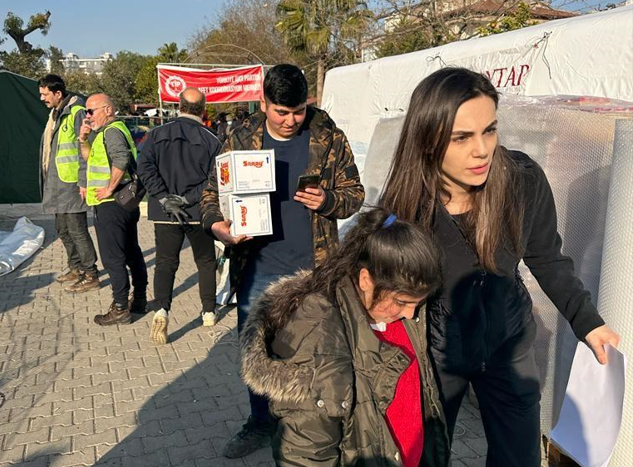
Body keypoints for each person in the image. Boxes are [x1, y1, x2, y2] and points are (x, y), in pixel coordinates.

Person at [379, 67, 621, 467]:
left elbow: (547, 257)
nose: (482, 150)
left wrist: (588, 322)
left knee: (520, 458)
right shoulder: (406, 203)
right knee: (426, 456)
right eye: (462, 137)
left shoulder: (521, 181)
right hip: (436, 352)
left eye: (489, 130)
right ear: (428, 139)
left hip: (508, 346)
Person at [200, 63, 364, 458]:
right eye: (281, 112)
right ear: (263, 103)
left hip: (316, 267)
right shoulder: (239, 138)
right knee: (258, 352)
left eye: (298, 112)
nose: (291, 121)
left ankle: (318, 425)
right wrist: (219, 228)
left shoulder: (327, 136)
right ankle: (260, 422)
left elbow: (354, 194)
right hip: (258, 267)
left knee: (321, 350)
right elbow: (209, 197)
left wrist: (328, 200)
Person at [240, 208, 450, 466]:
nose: (410, 314)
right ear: (366, 280)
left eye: (418, 303)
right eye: (402, 302)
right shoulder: (318, 337)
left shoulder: (398, 313)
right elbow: (305, 454)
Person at [137, 88, 223, 345]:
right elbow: (215, 177)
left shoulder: (155, 134)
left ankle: (161, 310)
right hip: (198, 211)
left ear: (179, 105)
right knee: (206, 262)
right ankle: (208, 312)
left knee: (165, 263)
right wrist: (188, 199)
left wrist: (164, 198)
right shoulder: (212, 139)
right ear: (204, 109)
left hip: (165, 213)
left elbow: (143, 167)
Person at [78, 93, 148, 326]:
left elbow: (121, 159)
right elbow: (90, 158)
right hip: (122, 204)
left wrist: (108, 189)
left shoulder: (111, 131)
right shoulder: (105, 133)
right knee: (131, 251)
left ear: (107, 110)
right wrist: (83, 139)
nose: (87, 117)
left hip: (111, 205)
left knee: (113, 257)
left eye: (91, 111)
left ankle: (120, 308)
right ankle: (138, 300)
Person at [38, 74, 99, 292]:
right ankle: (76, 267)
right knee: (62, 229)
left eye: (45, 94)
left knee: (77, 230)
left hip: (73, 184)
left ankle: (91, 273)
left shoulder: (76, 112)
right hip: (58, 184)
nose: (42, 99)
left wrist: (83, 181)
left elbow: (85, 149)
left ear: (58, 93)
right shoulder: (56, 114)